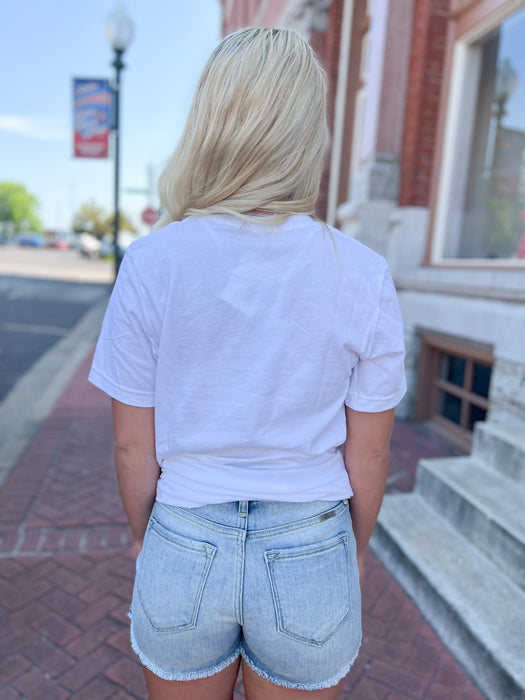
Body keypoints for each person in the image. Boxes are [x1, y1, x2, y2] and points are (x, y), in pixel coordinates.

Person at [89, 27, 406, 700]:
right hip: (310, 533)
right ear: (306, 133)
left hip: (183, 525)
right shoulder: (362, 273)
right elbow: (370, 456)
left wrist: (153, 540)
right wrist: (347, 553)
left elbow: (129, 444)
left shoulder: (151, 262)